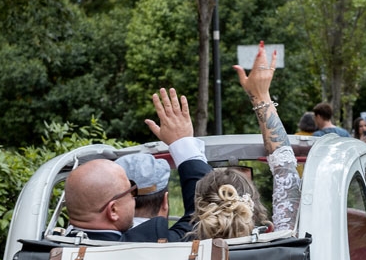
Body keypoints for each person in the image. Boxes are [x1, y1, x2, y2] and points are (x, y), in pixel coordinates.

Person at [64, 87, 211, 242]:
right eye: (131, 191)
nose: (135, 198)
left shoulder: (49, 246)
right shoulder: (150, 241)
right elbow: (209, 215)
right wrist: (183, 142)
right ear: (113, 210)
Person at [192, 42, 301, 238]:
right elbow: (285, 168)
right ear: (253, 204)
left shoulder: (180, 255)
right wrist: (260, 96)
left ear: (198, 210)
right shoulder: (285, 244)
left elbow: (285, 168)